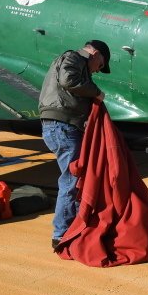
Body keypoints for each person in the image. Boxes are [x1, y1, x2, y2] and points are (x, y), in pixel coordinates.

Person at [39, 40, 110, 249]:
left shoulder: (77, 63)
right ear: (95, 53)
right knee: (72, 181)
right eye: (101, 64)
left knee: (76, 179)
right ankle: (61, 234)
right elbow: (68, 80)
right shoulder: (74, 57)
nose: (98, 70)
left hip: (61, 126)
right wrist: (96, 92)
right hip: (62, 126)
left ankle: (76, 227)